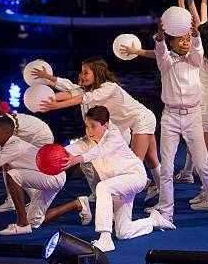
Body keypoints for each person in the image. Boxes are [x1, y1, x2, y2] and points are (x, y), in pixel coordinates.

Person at [42, 106, 175, 252]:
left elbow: (100, 151)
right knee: (124, 232)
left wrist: (78, 159)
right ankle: (153, 220)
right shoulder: (87, 143)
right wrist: (46, 156)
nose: (90, 131)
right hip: (117, 186)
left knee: (102, 187)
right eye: (87, 127)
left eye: (93, 126)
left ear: (105, 125)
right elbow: (65, 153)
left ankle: (105, 238)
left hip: (134, 177)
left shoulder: (114, 136)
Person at [37, 57, 161, 202]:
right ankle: (156, 189)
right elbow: (68, 89)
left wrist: (56, 105)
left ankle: (124, 205)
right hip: (122, 127)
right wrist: (45, 96)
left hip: (141, 119)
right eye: (82, 73)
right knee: (151, 160)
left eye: (86, 73)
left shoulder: (109, 87)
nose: (82, 76)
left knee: (133, 166)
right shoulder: (86, 89)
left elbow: (82, 98)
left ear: (97, 72)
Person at [152, 11, 208, 223]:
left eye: (187, 39)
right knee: (167, 168)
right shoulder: (166, 61)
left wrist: (195, 34)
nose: (185, 42)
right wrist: (160, 36)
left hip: (193, 116)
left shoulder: (196, 59)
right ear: (172, 41)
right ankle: (167, 211)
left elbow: (197, 47)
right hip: (170, 117)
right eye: (181, 39)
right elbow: (160, 50)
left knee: (203, 164)